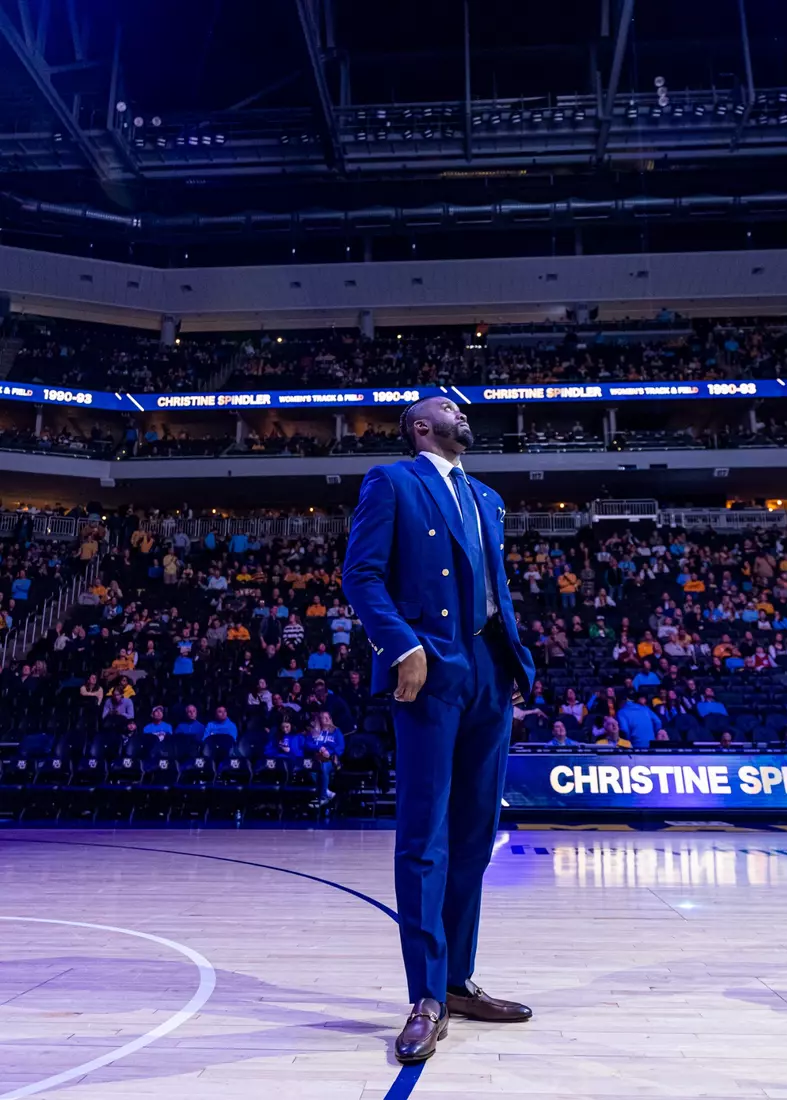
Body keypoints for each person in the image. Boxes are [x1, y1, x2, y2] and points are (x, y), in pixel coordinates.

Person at [343, 395, 535, 1065]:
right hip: (427, 664)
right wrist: (400, 645)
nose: (463, 411)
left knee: (477, 834)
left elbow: (495, 585)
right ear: (422, 426)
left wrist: (513, 659)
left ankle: (456, 983)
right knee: (425, 835)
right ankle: (425, 994)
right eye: (448, 407)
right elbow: (361, 574)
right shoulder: (392, 481)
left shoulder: (486, 494)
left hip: (490, 665)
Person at [304, 711, 344, 806]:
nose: (326, 719)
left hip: (331, 760)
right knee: (308, 767)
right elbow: (307, 744)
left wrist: (329, 753)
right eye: (323, 717)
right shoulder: (315, 732)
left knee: (323, 766)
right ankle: (326, 791)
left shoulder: (336, 732)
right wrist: (319, 748)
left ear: (331, 719)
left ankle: (323, 797)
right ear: (319, 720)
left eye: (327, 717)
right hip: (316, 758)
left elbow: (340, 747)